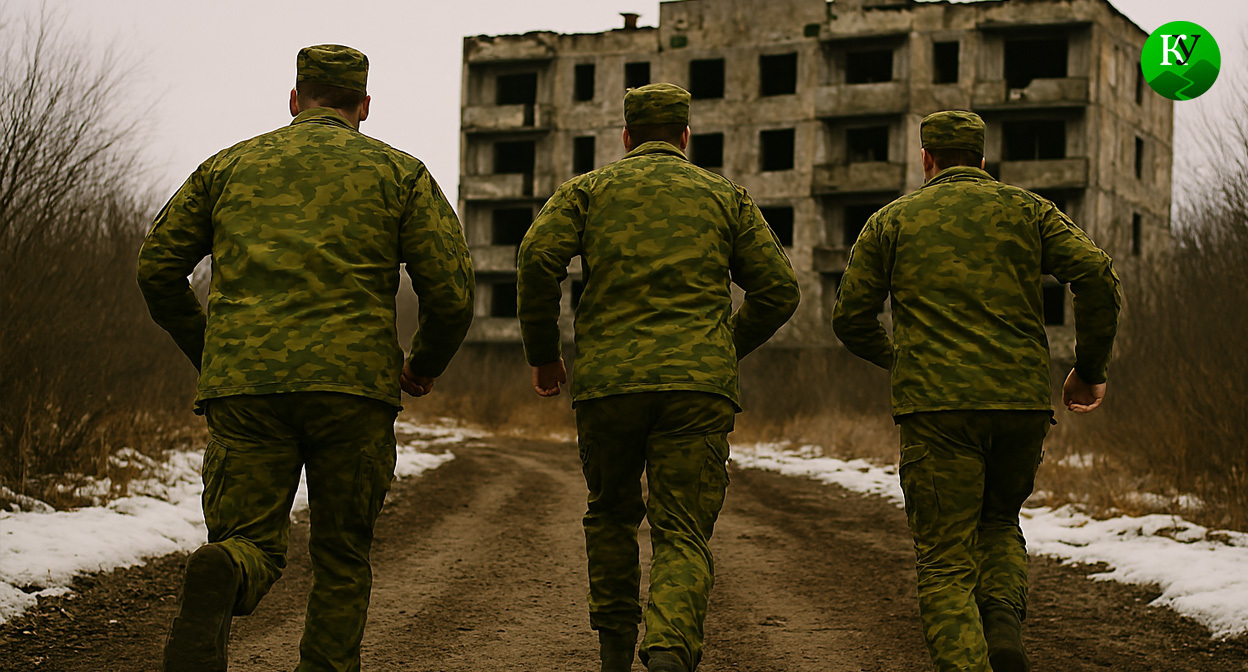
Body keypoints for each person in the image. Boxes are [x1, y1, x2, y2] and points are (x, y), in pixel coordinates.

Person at [137, 44, 474, 672]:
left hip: (246, 387)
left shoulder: (227, 167)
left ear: (295, 98)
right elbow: (452, 293)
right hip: (353, 390)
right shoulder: (401, 174)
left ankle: (231, 567)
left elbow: (156, 267)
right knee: (342, 556)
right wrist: (424, 364)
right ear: (364, 106)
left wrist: (212, 352)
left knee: (248, 539)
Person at [516, 83, 800, 672]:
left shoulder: (587, 191)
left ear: (626, 136)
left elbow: (537, 259)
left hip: (610, 385)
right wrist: (720, 348)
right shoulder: (725, 196)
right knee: (683, 529)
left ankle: (614, 653)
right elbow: (779, 289)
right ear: (685, 136)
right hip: (697, 389)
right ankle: (670, 647)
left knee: (611, 515)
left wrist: (545, 353)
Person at [831, 110, 1121, 672]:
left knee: (944, 557)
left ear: (926, 159)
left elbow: (849, 318)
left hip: (937, 408)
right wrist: (1089, 368)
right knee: (999, 520)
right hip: (1020, 403)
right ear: (983, 160)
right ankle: (1003, 629)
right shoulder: (1030, 211)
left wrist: (902, 360)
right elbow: (1096, 274)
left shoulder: (891, 221)